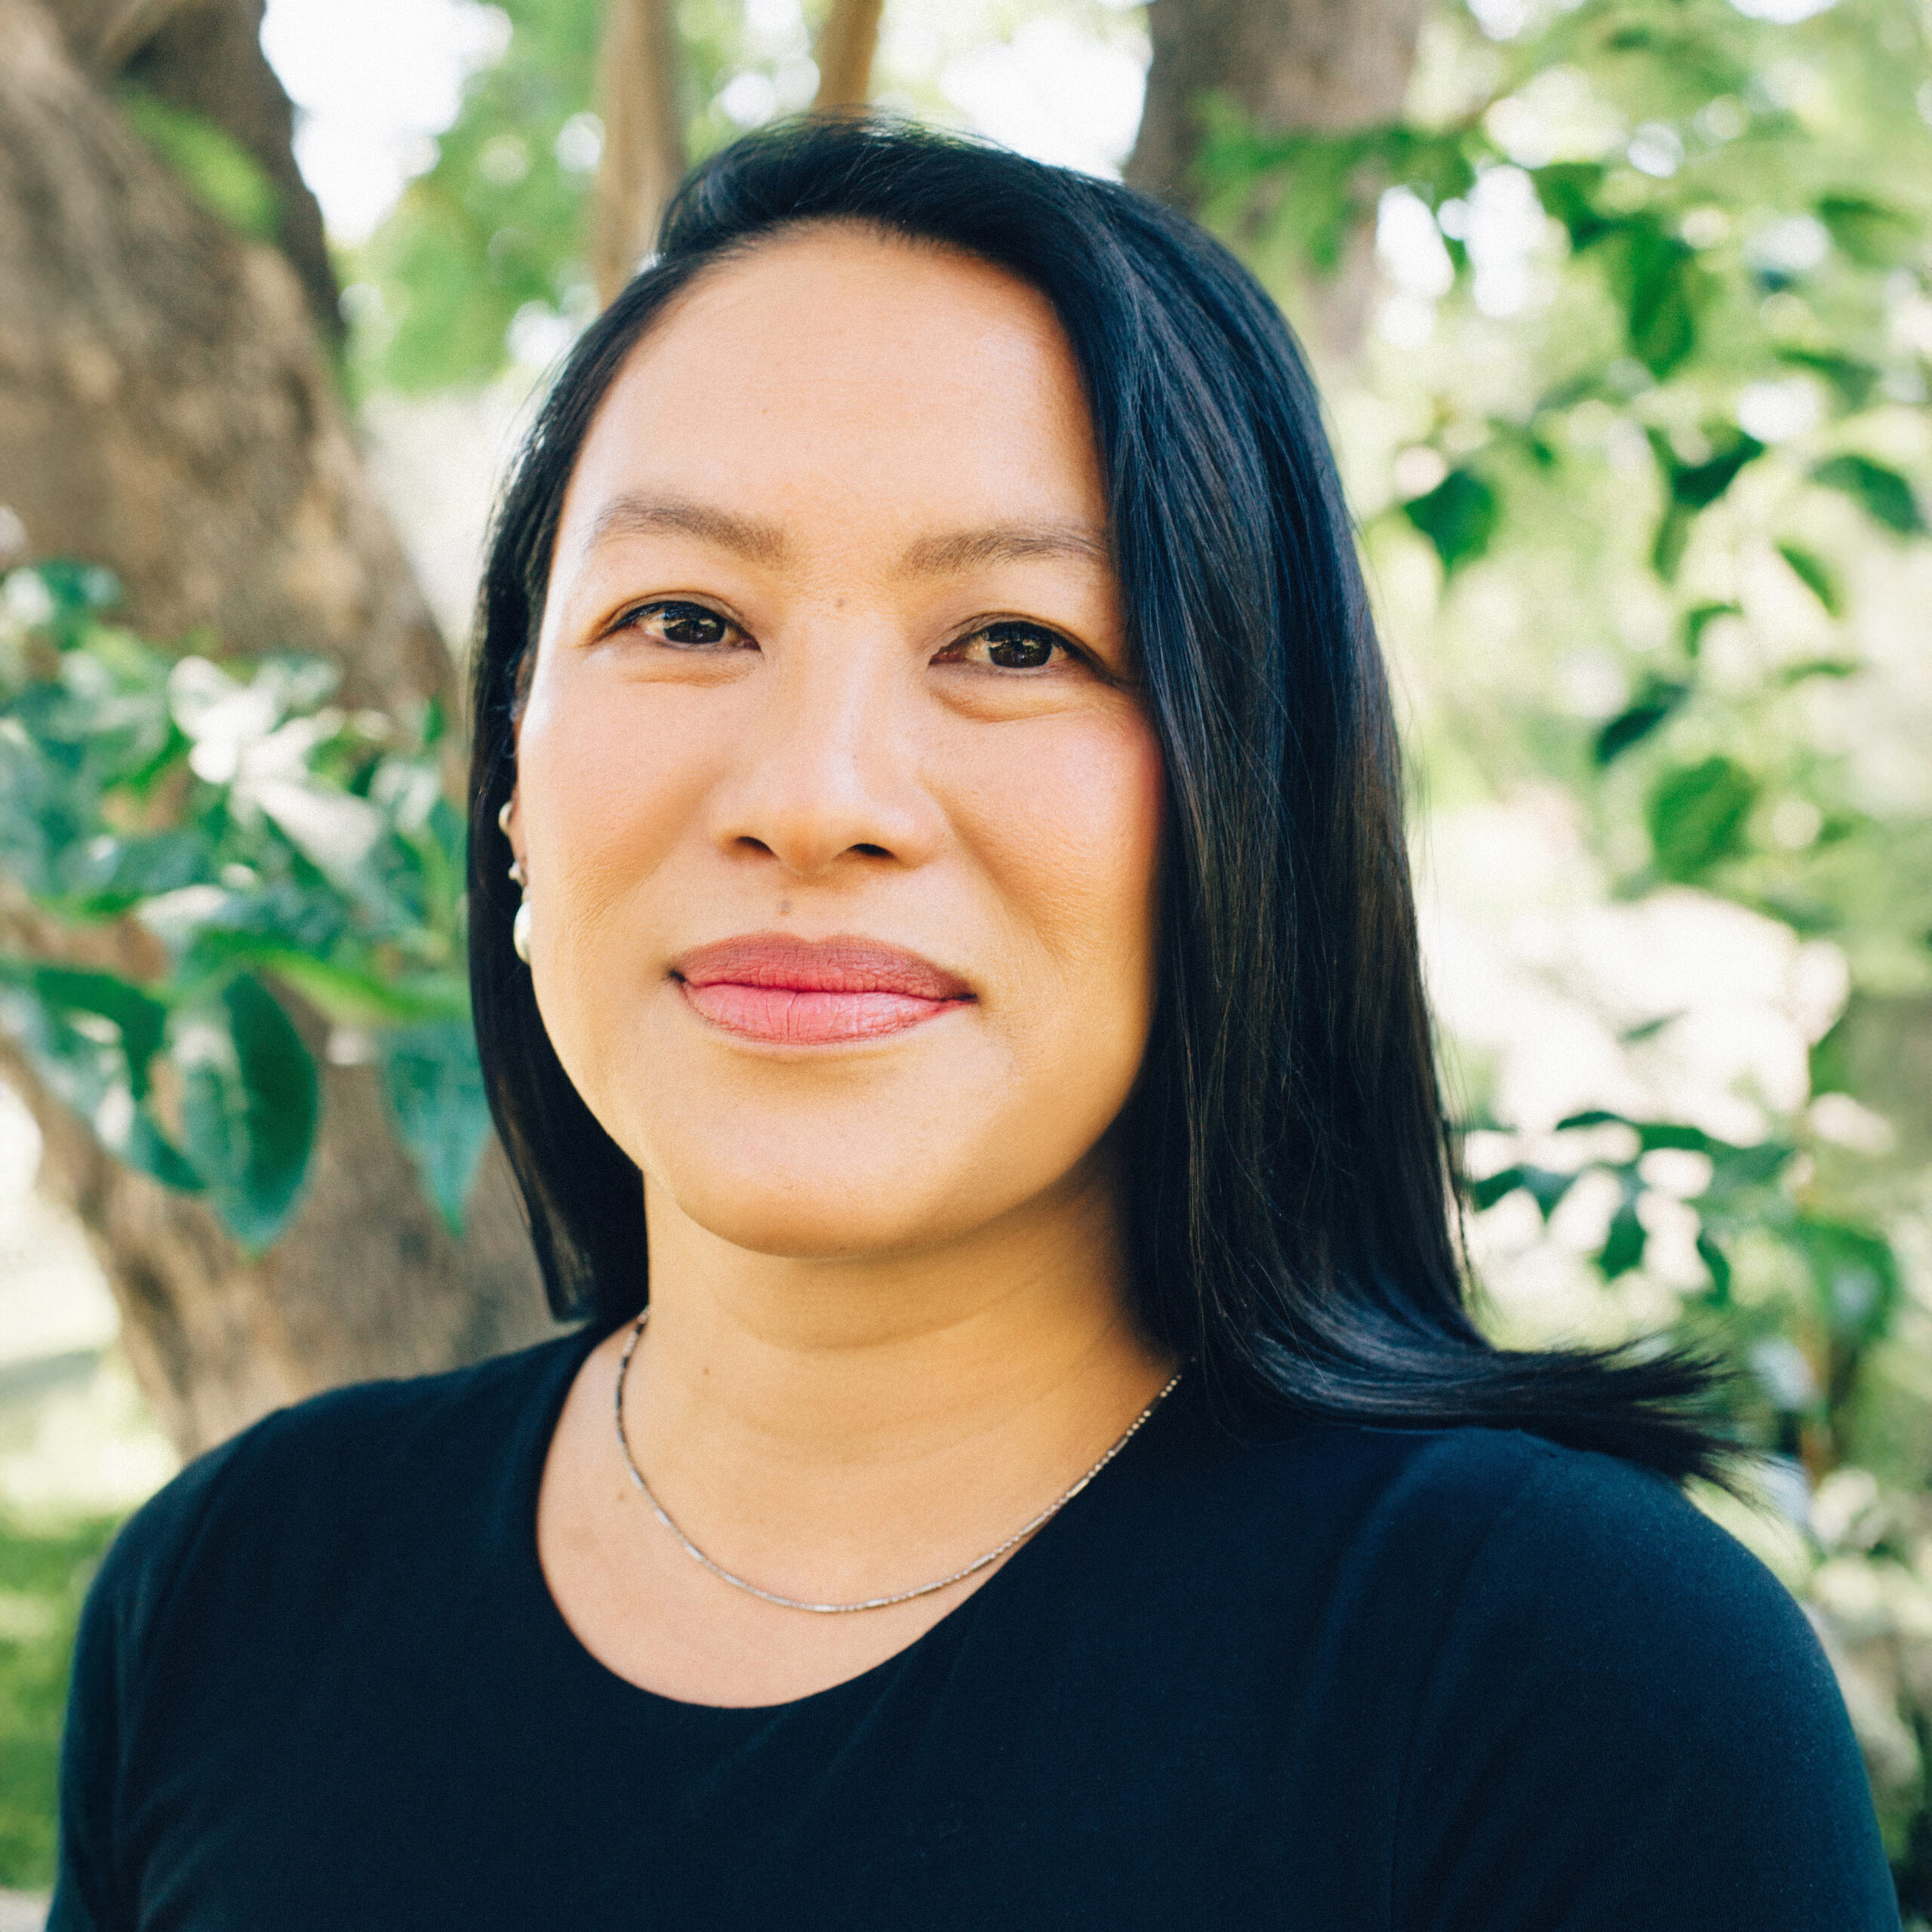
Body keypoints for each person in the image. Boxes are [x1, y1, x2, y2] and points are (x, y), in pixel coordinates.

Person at [51, 117, 1894, 1930]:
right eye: (682, 616)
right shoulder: (229, 1592)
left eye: (1015, 641)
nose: (812, 795)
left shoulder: (1563, 1681)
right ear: (513, 777)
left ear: (1244, 805)